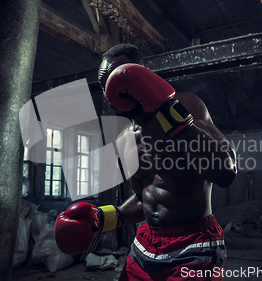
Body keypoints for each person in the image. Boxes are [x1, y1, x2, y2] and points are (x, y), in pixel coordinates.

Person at [55, 44, 237, 280]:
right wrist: (109, 217)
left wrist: (166, 108)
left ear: (141, 73)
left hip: (194, 244)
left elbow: (225, 172)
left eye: (118, 76)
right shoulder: (125, 137)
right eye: (105, 85)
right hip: (145, 243)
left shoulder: (184, 105)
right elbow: (148, 197)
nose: (112, 89)